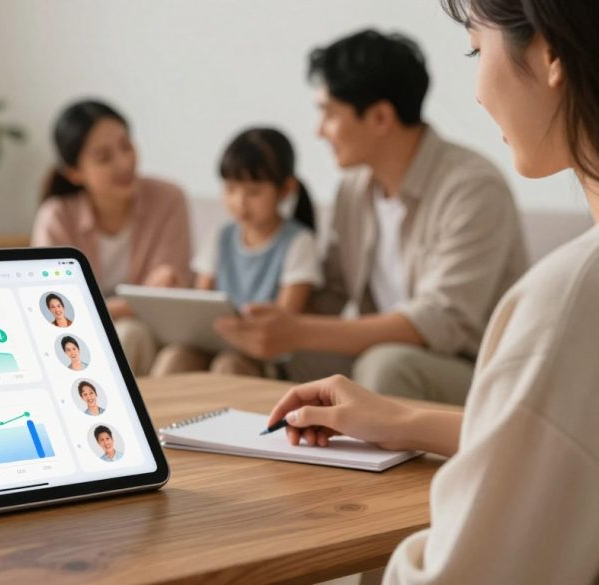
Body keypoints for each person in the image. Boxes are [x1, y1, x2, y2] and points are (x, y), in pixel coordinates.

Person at [267, 1, 599, 582]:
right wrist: (398, 418)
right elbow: (559, 432)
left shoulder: (567, 300)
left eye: (476, 48)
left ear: (549, 53)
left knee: (386, 360)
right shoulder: (352, 192)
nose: (475, 90)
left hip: (458, 364)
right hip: (479, 396)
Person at [215, 29, 528, 405]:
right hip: (384, 358)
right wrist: (258, 320)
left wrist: (298, 330)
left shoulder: (472, 187)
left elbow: (439, 321)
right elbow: (331, 293)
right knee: (249, 359)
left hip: (472, 368)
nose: (319, 131)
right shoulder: (355, 189)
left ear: (380, 117)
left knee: (385, 365)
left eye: (329, 113)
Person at [32, 99, 193, 374]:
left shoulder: (168, 200)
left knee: (132, 333)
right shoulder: (56, 216)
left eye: (126, 146)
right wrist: (136, 303)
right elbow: (56, 311)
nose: (124, 162)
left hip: (153, 337)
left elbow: (167, 299)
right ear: (74, 172)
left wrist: (103, 308)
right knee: (126, 332)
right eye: (104, 157)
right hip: (80, 337)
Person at [151, 127, 322, 377]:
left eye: (254, 192)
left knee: (229, 365)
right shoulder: (220, 237)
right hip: (215, 344)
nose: (240, 202)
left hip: (265, 358)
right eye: (231, 189)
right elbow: (201, 304)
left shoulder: (298, 243)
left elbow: (285, 321)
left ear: (285, 189)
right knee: (174, 357)